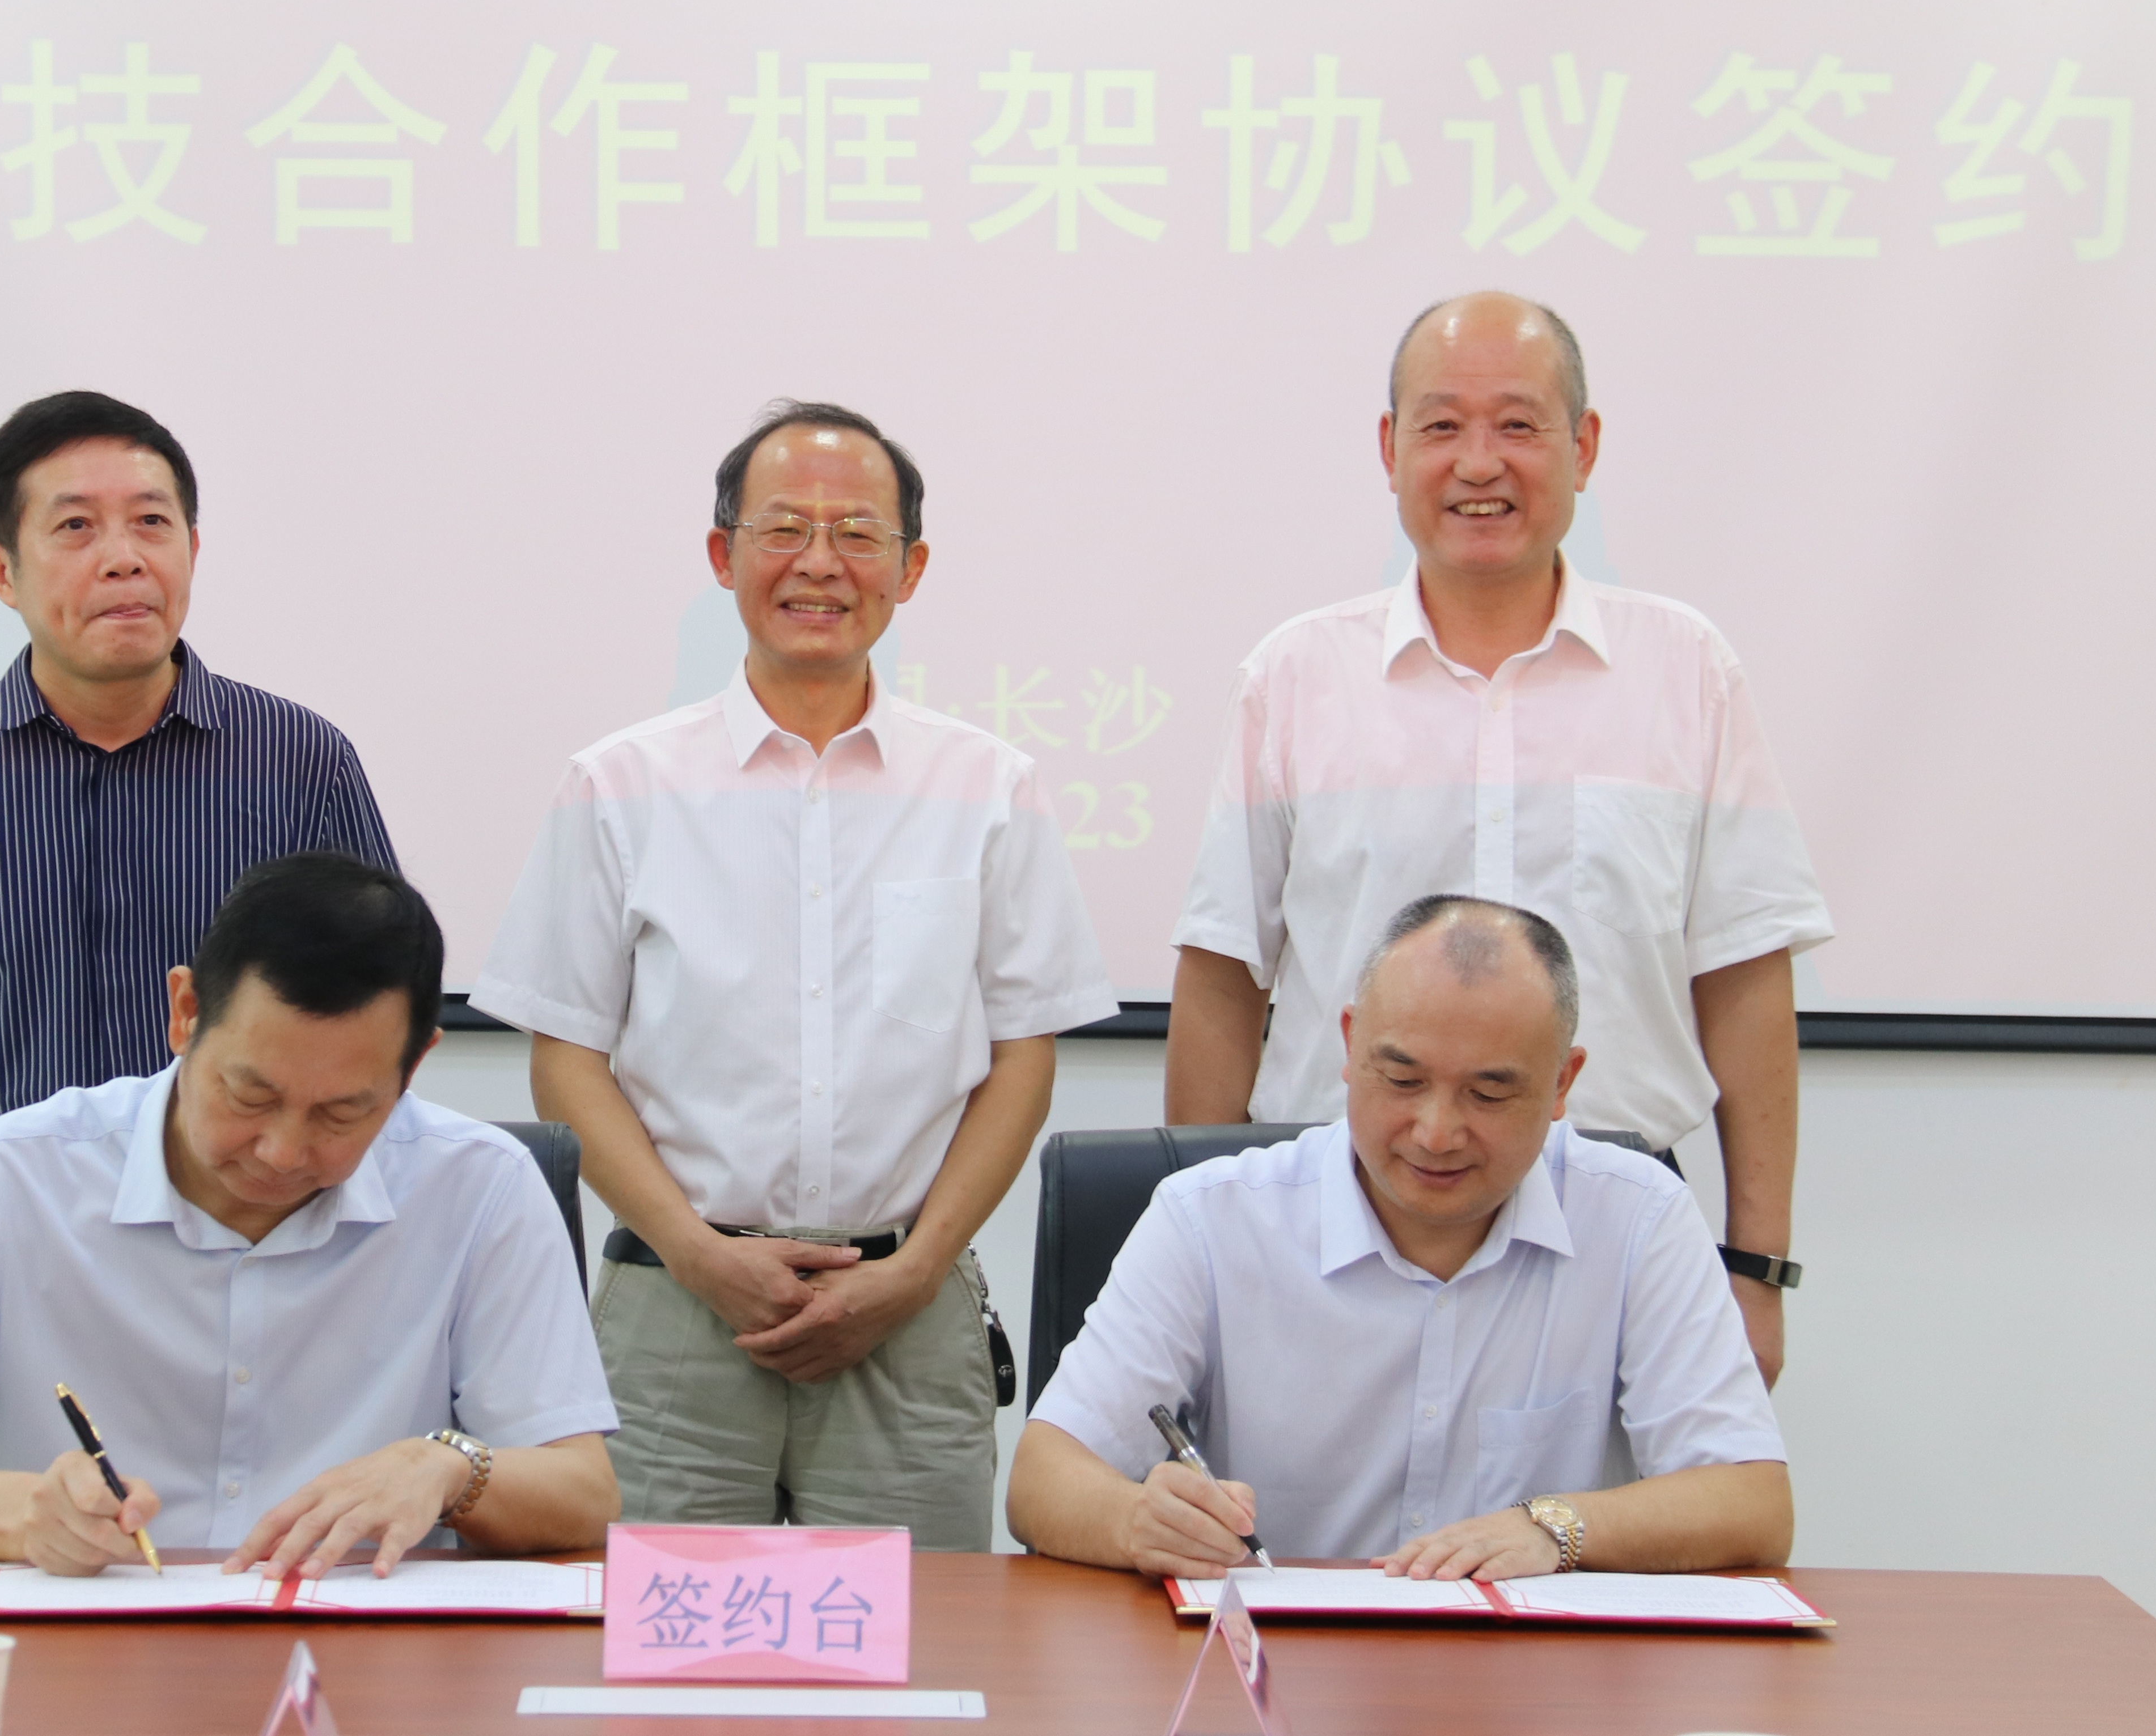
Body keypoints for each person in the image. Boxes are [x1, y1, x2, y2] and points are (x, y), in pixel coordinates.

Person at [471, 400, 1115, 1546]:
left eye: (858, 534)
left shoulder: (989, 787)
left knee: (922, 1644)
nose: (820, 562)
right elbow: (566, 1060)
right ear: (723, 556)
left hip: (906, 1311)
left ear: (910, 570)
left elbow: (1022, 1057)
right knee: (657, 1642)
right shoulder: (617, 784)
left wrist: (914, 1272)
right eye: (784, 529)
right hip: (674, 1312)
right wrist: (696, 1252)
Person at [1163, 294, 1829, 1381]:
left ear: (1584, 445)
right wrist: (1201, 1253)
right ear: (1390, 449)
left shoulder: (1687, 671)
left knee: (1614, 1498)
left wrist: (1755, 1266)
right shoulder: (1296, 677)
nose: (1480, 463)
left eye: (1518, 424)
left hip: (1619, 1219)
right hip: (1330, 1222)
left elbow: (1746, 973)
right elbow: (1224, 974)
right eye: (1443, 426)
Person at [0, 852, 619, 1576]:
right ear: (185, 1012)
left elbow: (584, 1494)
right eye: (250, 1094)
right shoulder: (6, 1178)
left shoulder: (482, 1188)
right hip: (84, 1668)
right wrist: (22, 1514)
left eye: (343, 1113)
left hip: (361, 1666)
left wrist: (449, 1470)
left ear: (415, 1064)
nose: (283, 1151)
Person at [0, 390, 397, 1336]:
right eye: (75, 527)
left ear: (193, 548)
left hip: (256, 1270)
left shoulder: (303, 765)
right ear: (3, 571)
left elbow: (378, 1041)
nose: (124, 557)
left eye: (152, 522)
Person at [1011, 896, 1790, 1580]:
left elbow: (1752, 1503)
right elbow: (1043, 1477)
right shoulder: (1211, 1217)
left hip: (1531, 1673)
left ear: (1562, 1083)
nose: (1436, 1132)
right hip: (1275, 1668)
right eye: (1404, 1080)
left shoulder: (1638, 1215)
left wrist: (1553, 1526)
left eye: (1489, 1092)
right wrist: (1136, 1521)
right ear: (1351, 1046)